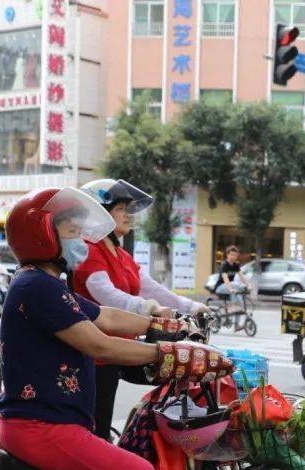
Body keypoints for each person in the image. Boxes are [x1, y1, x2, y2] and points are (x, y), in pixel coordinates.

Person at [0, 186, 232, 470]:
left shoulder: (47, 285)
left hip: (42, 422)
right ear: (42, 235)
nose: (80, 239)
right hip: (43, 426)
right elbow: (99, 344)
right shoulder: (37, 287)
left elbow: (104, 315)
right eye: (70, 229)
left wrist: (161, 325)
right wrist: (166, 353)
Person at [73, 178, 209, 441]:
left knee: (173, 372)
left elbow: (151, 287)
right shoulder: (89, 251)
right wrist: (149, 309)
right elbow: (106, 295)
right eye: (120, 209)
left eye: (127, 209)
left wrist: (191, 306)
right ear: (100, 214)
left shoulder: (121, 255)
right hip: (95, 353)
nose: (127, 215)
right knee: (96, 427)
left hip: (120, 346)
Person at [213, 245, 251, 312]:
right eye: (232, 254)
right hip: (220, 288)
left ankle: (236, 321)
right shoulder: (224, 265)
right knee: (234, 284)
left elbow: (242, 276)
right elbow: (225, 278)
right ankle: (232, 306)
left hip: (231, 287)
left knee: (240, 301)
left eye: (235, 255)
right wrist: (230, 288)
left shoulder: (235, 265)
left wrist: (248, 285)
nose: (233, 256)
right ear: (227, 255)